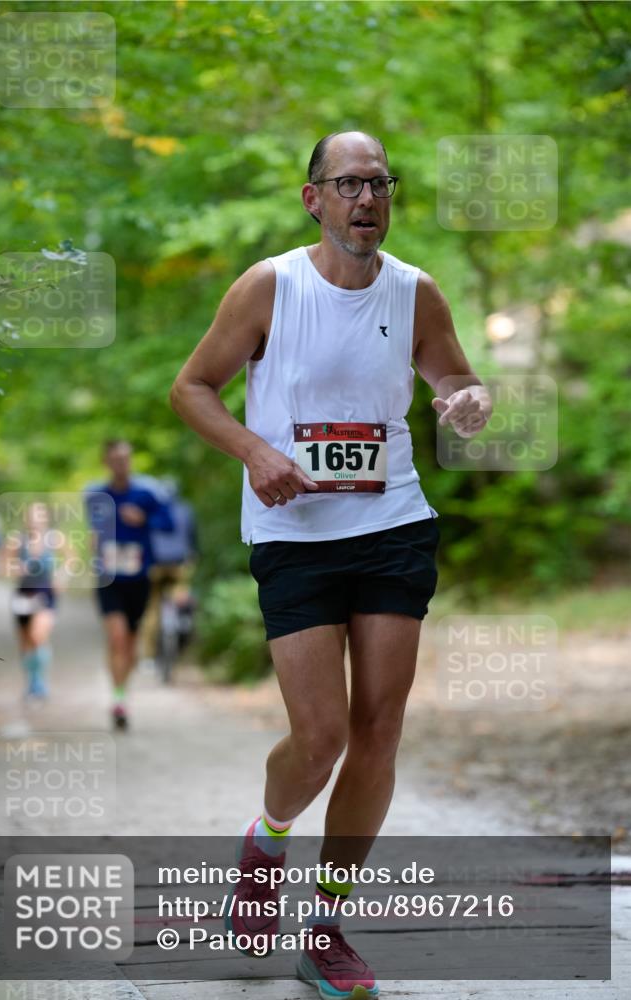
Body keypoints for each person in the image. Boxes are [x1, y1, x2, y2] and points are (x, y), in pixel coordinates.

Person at [170, 131, 491, 1000]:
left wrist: (469, 400)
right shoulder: (269, 286)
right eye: (349, 184)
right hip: (294, 532)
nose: (368, 199)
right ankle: (267, 839)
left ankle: (326, 927)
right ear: (313, 199)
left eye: (380, 183)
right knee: (321, 739)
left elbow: (455, 379)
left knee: (378, 729)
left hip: (391, 525)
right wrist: (254, 452)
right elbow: (190, 387)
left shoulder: (414, 291)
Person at [84, 440, 173, 730]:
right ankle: (118, 699)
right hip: (108, 577)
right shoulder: (96, 495)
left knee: (131, 643)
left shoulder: (147, 492)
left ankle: (122, 689)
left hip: (139, 577)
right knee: (117, 637)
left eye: (125, 458)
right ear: (106, 462)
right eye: (116, 459)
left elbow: (169, 522)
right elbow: (94, 530)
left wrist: (144, 519)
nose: (121, 464)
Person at [140, 477, 199, 667]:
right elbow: (193, 538)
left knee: (152, 609)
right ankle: (184, 625)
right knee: (182, 596)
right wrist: (194, 556)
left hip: (155, 566)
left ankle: (149, 657)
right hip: (179, 565)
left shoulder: (151, 512)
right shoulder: (186, 510)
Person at [5, 501, 59, 699]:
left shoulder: (54, 539)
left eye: (40, 515)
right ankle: (31, 682)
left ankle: (40, 682)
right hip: (23, 594)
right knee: (25, 641)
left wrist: (62, 576)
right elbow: (4, 564)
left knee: (38, 635)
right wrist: (16, 568)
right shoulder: (17, 540)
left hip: (45, 594)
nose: (35, 520)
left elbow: (72, 559)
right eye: (32, 516)